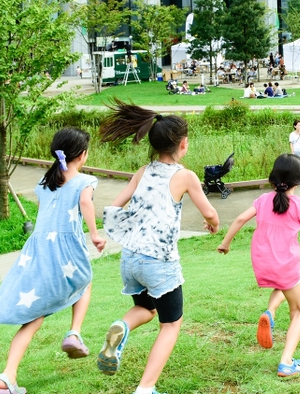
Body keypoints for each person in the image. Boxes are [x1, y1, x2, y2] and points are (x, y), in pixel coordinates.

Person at [97, 101, 220, 394]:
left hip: (130, 258)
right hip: (159, 262)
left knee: (145, 308)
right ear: (183, 144)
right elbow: (211, 213)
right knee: (170, 324)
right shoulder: (185, 176)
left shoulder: (142, 171)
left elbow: (116, 205)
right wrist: (213, 225)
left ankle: (121, 327)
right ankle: (146, 388)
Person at [0, 128, 105, 394]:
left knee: (33, 317)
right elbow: (86, 203)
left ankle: (6, 379)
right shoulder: (85, 180)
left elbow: (44, 211)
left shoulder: (44, 181)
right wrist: (95, 234)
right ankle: (74, 333)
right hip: (66, 248)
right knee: (85, 282)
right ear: (82, 155)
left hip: (37, 252)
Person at [217, 154, 300, 377]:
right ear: (299, 180)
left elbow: (240, 219)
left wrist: (225, 243)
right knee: (298, 312)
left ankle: (269, 312)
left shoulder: (263, 200)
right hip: (286, 265)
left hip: (263, 264)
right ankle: (286, 362)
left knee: (281, 286)